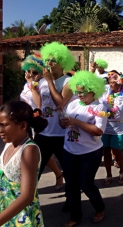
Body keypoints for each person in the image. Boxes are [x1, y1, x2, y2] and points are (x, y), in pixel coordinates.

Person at [59, 71, 107, 227]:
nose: (79, 95)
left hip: (90, 153)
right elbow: (64, 122)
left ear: (92, 90)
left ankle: (99, 208)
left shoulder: (100, 107)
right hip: (69, 150)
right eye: (77, 91)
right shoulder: (72, 103)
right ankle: (75, 216)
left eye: (83, 92)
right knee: (71, 185)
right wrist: (64, 123)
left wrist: (76, 122)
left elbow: (99, 131)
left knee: (86, 184)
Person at [20, 54, 64, 191]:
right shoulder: (28, 86)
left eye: (35, 72)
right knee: (36, 167)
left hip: (58, 131)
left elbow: (39, 104)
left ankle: (70, 197)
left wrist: (33, 85)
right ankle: (29, 198)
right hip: (40, 130)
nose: (31, 75)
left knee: (67, 167)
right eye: (28, 72)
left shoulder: (45, 84)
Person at [0, 101, 48, 226]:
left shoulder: (29, 150)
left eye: (4, 125)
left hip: (21, 218)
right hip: (5, 212)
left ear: (23, 126)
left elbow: (27, 196)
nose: (0, 130)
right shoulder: (9, 143)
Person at [35, 41, 75, 180]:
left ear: (63, 62)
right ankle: (30, 201)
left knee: (70, 174)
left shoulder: (68, 82)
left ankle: (71, 201)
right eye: (47, 60)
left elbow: (61, 103)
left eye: (53, 60)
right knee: (35, 172)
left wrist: (50, 81)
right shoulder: (42, 82)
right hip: (43, 133)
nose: (49, 63)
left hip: (61, 134)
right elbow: (41, 105)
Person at [101, 70, 123, 185]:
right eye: (109, 81)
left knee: (116, 150)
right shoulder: (106, 91)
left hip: (120, 126)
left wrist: (122, 79)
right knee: (106, 151)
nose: (111, 84)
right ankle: (108, 174)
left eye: (114, 82)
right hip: (106, 125)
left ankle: (122, 169)